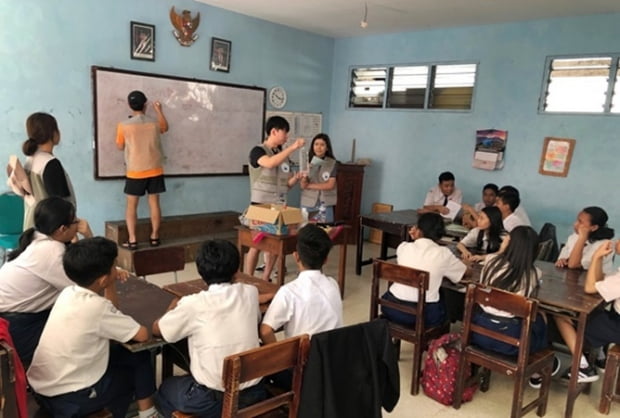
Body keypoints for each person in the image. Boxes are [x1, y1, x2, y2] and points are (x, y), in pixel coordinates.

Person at [27, 237, 159, 418]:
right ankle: (147, 413)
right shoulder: (97, 308)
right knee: (139, 359)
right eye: (114, 266)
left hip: (40, 387)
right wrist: (110, 283)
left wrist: (110, 282)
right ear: (103, 279)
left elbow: (110, 311)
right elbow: (143, 335)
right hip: (69, 398)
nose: (117, 269)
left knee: (125, 355)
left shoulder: (68, 293)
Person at [154, 240, 266, 417]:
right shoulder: (250, 292)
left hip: (211, 400)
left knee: (164, 390)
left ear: (200, 271)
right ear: (237, 269)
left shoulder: (193, 304)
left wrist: (173, 307)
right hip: (255, 392)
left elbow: (159, 329)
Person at [470, 226, 559, 388]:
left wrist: (502, 249)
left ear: (509, 243)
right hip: (510, 344)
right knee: (540, 317)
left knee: (532, 316)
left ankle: (539, 366)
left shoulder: (491, 262)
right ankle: (539, 368)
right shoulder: (534, 273)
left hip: (478, 333)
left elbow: (496, 260)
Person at [0, 197, 83, 366]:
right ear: (62, 229)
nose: (79, 224)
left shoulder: (37, 238)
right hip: (16, 327)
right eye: (76, 221)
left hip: (12, 316)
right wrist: (87, 235)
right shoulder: (52, 251)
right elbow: (85, 286)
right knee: (80, 331)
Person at [380, 213, 467, 327]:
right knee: (446, 299)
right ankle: (436, 340)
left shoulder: (403, 247)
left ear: (418, 230)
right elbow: (463, 273)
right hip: (421, 316)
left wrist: (415, 238)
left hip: (391, 307)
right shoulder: (443, 253)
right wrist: (466, 264)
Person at [260, 224, 343, 344]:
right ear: (325, 260)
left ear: (296, 256)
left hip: (304, 360)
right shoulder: (333, 284)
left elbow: (265, 331)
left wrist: (282, 356)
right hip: (333, 354)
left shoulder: (288, 292)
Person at [246, 116, 304, 281]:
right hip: (260, 207)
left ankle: (266, 278)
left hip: (279, 206)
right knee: (256, 245)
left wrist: (296, 177)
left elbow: (286, 185)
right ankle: (249, 279)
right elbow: (269, 163)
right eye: (285, 133)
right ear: (273, 131)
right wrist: (293, 147)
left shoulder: (282, 155)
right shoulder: (258, 151)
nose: (286, 137)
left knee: (274, 246)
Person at [555, 240, 620, 384]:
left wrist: (596, 256)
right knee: (592, 312)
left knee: (563, 315)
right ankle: (599, 356)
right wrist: (600, 259)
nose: (617, 242)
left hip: (617, 326)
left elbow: (590, 288)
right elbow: (599, 280)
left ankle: (583, 367)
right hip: (614, 319)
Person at [20, 112, 91, 236]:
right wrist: (72, 236)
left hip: (33, 228)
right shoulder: (50, 163)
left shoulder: (30, 159)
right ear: (54, 133)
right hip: (51, 233)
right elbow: (60, 207)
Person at [116, 90, 168, 250]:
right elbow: (165, 127)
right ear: (145, 104)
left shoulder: (123, 125)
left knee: (131, 206)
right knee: (154, 203)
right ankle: (154, 237)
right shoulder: (153, 123)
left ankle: (132, 240)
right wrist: (159, 110)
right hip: (155, 170)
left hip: (135, 171)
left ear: (129, 105)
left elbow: (119, 146)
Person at [555, 206, 614, 274]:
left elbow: (573, 265)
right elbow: (564, 254)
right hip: (572, 279)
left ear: (594, 227)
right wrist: (561, 260)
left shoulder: (605, 245)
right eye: (577, 220)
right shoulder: (574, 237)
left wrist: (582, 239)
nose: (575, 224)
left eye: (580, 222)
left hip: (596, 282)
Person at [300, 133, 338, 223]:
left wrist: (309, 185)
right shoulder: (307, 162)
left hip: (325, 202)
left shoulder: (332, 163)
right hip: (308, 202)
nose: (318, 147)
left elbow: (330, 185)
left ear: (327, 147)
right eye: (316, 144)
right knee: (306, 230)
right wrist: (305, 176)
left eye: (322, 145)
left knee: (325, 230)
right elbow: (302, 185)